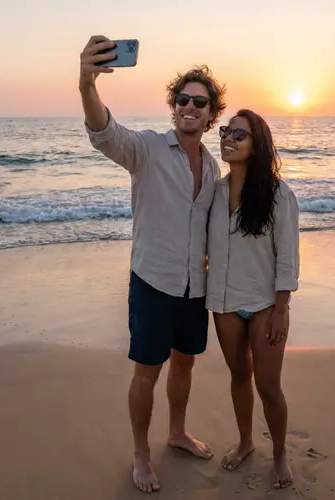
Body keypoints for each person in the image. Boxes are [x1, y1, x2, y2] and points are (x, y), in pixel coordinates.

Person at [79, 35, 226, 493]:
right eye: (183, 98)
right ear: (173, 106)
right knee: (147, 371)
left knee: (185, 364)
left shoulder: (213, 167)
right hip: (152, 280)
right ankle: (141, 455)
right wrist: (86, 82)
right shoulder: (145, 150)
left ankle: (177, 432)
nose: (190, 107)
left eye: (200, 103)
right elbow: (104, 130)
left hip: (193, 287)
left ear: (210, 114)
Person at [206, 109, 300, 489]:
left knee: (268, 386)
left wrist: (282, 308)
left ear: (257, 144)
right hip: (224, 301)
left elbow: (288, 256)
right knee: (239, 376)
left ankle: (279, 452)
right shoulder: (213, 192)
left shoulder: (279, 195)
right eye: (226, 131)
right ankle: (246, 442)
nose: (228, 137)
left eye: (239, 134)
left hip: (264, 303)